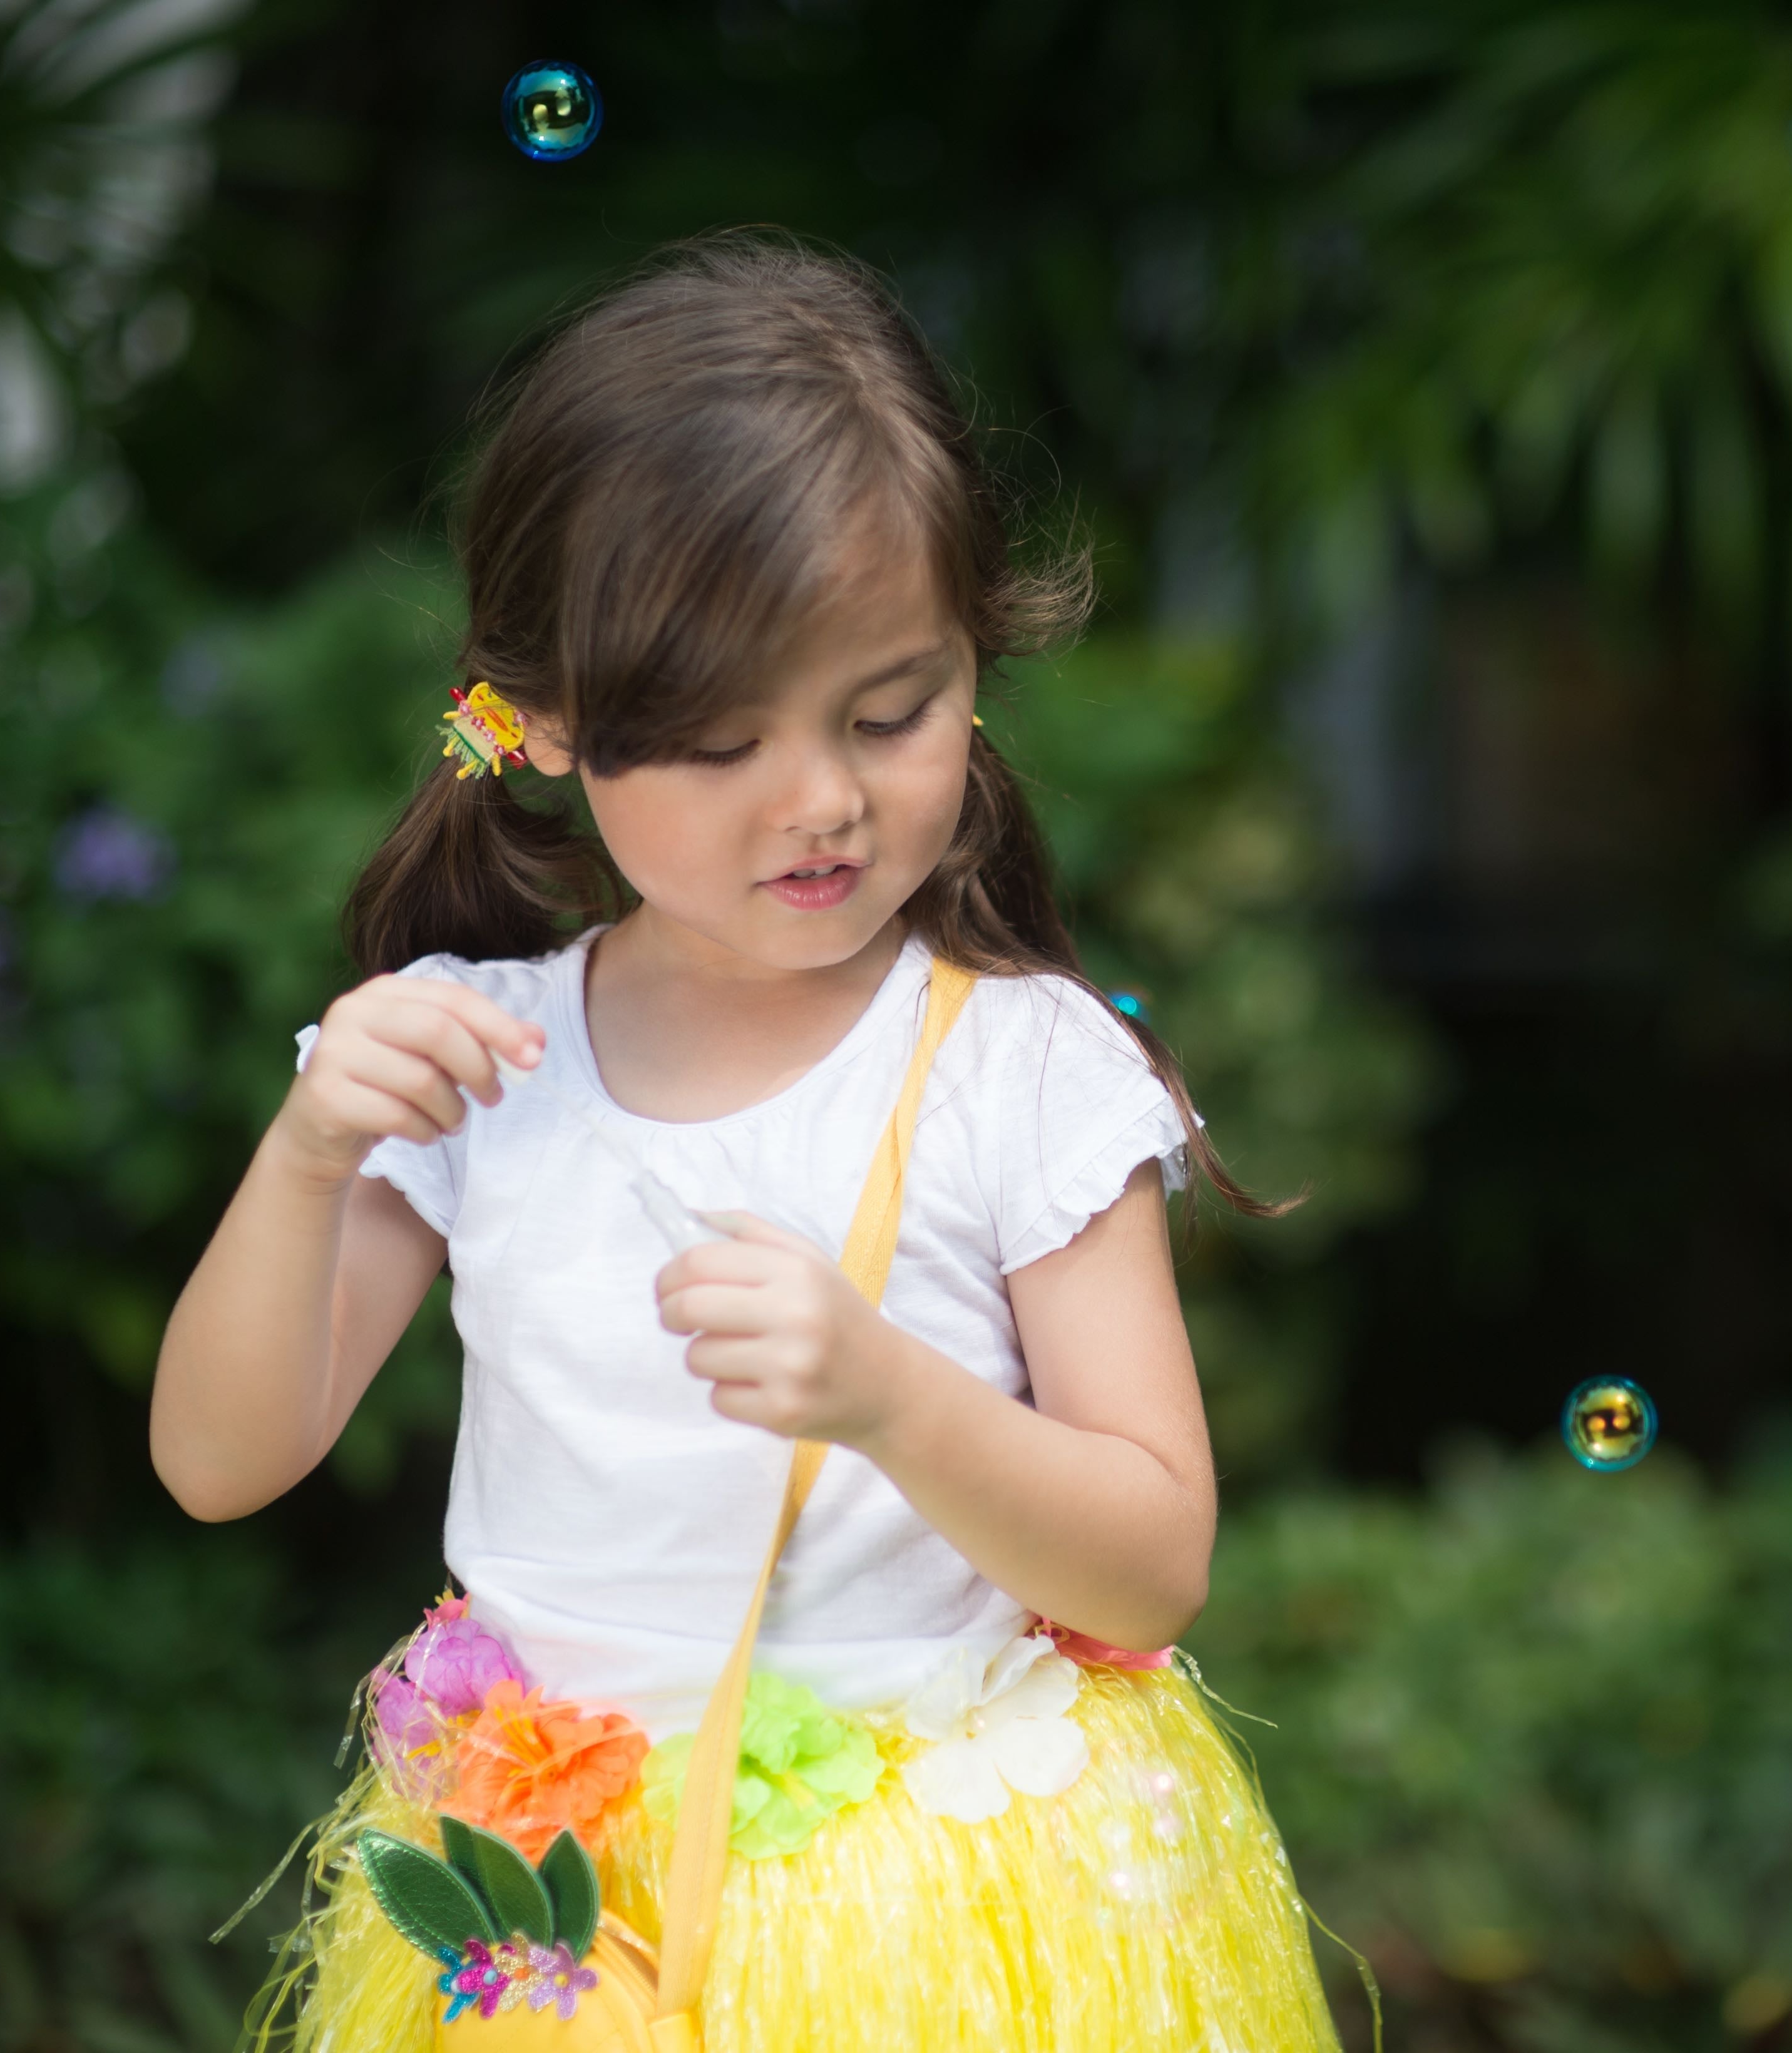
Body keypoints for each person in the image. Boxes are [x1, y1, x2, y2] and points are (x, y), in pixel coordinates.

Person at [151, 234, 1344, 2051]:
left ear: (975, 656)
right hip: (562, 1940)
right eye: (719, 743)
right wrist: (305, 1157)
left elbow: (1153, 1560)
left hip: (943, 1921)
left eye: (893, 712)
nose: (823, 803)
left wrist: (891, 1395)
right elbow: (221, 1462)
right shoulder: (486, 1059)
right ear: (541, 722)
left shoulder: (1011, 1072)